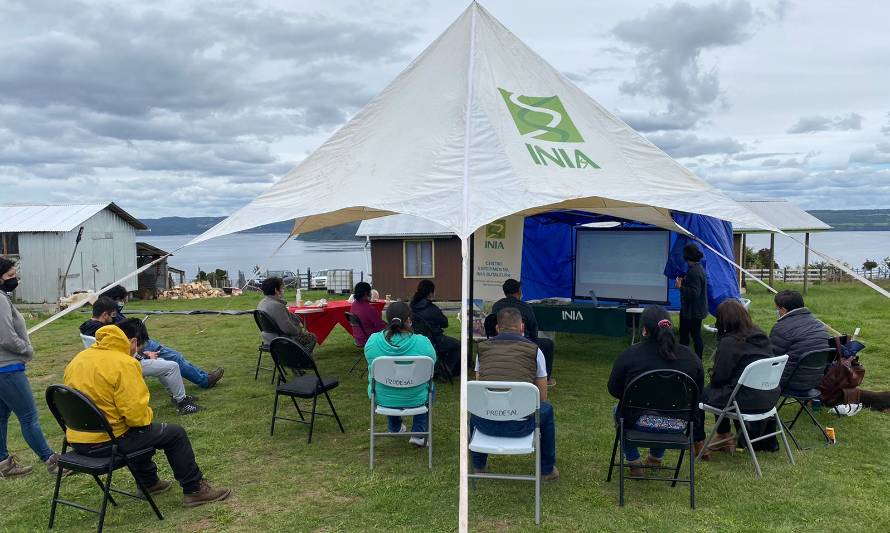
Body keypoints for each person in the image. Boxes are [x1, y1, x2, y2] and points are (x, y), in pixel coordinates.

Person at [64, 319, 231, 506]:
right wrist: (148, 417)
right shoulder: (125, 363)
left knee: (138, 431)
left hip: (78, 440)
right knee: (172, 433)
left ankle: (149, 482)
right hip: (107, 443)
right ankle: (195, 490)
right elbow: (137, 418)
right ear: (133, 343)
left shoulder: (78, 360)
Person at [608, 305, 704, 475]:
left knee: (619, 409)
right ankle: (655, 458)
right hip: (679, 424)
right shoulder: (691, 357)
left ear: (644, 330)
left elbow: (614, 389)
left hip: (637, 422)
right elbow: (698, 393)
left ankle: (634, 461)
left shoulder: (630, 355)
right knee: (663, 407)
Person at [472, 307, 559, 481]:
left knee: (475, 408)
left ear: (497, 328)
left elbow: (480, 391)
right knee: (546, 409)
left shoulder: (482, 350)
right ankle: (547, 470)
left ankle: (478, 464)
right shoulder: (535, 351)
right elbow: (541, 397)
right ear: (522, 327)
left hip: (485, 423)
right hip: (521, 426)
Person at [79, 297, 200, 415]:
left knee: (161, 362)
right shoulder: (107, 331)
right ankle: (182, 403)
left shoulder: (87, 327)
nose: (113, 319)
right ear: (105, 315)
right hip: (123, 365)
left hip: (112, 362)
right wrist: (145, 357)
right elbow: (122, 351)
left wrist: (143, 354)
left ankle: (177, 396)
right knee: (172, 366)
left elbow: (118, 350)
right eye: (113, 316)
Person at [0, 258, 63, 478]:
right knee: (29, 417)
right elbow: (6, 336)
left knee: (1, 417)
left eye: (15, 274)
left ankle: (3, 463)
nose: (14, 279)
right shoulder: (0, 299)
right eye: (10, 275)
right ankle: (51, 461)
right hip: (7, 368)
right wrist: (26, 350)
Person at [105, 285, 223, 389]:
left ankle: (204, 376)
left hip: (141, 343)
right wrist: (142, 355)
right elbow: (123, 342)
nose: (122, 303)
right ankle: (205, 381)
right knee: (175, 358)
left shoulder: (111, 314)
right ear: (112, 299)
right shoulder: (110, 318)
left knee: (177, 356)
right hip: (138, 347)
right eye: (120, 300)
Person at [701, 300, 780, 455]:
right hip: (769, 396)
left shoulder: (729, 343)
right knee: (724, 389)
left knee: (704, 392)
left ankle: (716, 436)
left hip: (744, 400)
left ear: (723, 321)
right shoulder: (761, 335)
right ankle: (724, 436)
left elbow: (719, 379)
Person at [364, 302, 436, 447]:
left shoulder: (373, 341)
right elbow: (432, 363)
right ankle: (419, 434)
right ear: (409, 320)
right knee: (430, 387)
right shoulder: (423, 342)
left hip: (383, 397)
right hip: (416, 397)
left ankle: (394, 428)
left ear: (387, 319)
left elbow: (369, 362)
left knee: (388, 382)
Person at [491, 279, 556, 386]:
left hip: (499, 339)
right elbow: (533, 330)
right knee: (548, 344)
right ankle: (546, 378)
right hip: (523, 341)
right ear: (519, 291)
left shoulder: (496, 306)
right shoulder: (525, 307)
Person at [769, 290, 831, 386]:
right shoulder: (818, 324)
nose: (777, 311)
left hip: (789, 381)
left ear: (784, 310)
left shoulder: (781, 327)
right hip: (818, 378)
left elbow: (772, 358)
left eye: (777, 308)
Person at [409, 280, 461, 378]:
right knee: (457, 345)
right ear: (431, 293)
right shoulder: (432, 309)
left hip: (415, 340)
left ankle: (438, 367)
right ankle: (446, 371)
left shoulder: (411, 307)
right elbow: (445, 323)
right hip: (434, 340)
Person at [256, 277, 317, 354]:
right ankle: (300, 360)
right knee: (311, 337)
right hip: (280, 339)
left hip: (267, 337)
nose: (283, 290)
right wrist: (298, 331)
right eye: (282, 288)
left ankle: (295, 356)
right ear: (276, 290)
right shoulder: (277, 306)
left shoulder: (262, 303)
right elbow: (287, 328)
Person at [676, 243, 708, 359]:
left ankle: (688, 358)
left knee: (688, 336)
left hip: (692, 312)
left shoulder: (694, 272)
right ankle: (696, 358)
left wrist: (680, 287)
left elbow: (694, 293)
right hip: (695, 310)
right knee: (695, 335)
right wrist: (685, 281)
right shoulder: (698, 269)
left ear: (687, 257)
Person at [350, 282, 385, 347]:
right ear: (366, 293)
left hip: (358, 338)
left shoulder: (354, 304)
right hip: (370, 339)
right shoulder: (369, 309)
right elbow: (380, 327)